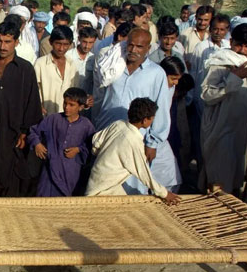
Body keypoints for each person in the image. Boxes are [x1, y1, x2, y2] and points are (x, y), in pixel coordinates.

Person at [94, 28, 180, 194]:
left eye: (139, 47)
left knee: (132, 184)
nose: (133, 50)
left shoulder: (156, 74)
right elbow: (101, 99)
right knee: (104, 182)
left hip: (136, 138)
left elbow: (161, 110)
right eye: (130, 45)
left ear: (148, 48)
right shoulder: (113, 66)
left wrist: (152, 143)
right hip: (109, 132)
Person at [0, 20, 43, 197]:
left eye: (7, 41)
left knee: (12, 172)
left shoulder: (25, 69)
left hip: (13, 133)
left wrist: (25, 132)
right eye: (0, 41)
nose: (3, 46)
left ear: (16, 42)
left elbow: (32, 103)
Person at [86, 97, 180, 205]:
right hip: (104, 188)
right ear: (145, 120)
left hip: (99, 179)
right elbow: (144, 174)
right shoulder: (133, 141)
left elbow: (96, 142)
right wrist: (165, 193)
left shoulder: (118, 124)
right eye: (152, 119)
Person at [200, 23, 247, 195]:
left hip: (243, 130)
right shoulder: (220, 62)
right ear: (231, 42)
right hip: (220, 130)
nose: (242, 50)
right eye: (239, 44)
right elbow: (207, 95)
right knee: (218, 182)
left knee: (239, 180)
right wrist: (234, 77)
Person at [28, 87, 95, 196]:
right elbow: (33, 131)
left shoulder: (86, 125)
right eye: (65, 103)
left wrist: (78, 149)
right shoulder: (54, 119)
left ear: (81, 107)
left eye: (71, 105)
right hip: (50, 172)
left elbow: (93, 146)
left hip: (70, 174)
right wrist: (37, 144)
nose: (66, 107)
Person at [34, 26, 80, 116]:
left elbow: (75, 92)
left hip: (66, 118)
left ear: (70, 44)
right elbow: (32, 90)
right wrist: (38, 106)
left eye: (65, 44)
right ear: (51, 42)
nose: (61, 48)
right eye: (58, 44)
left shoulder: (72, 65)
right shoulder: (40, 64)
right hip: (45, 117)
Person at [179, 5, 214, 72]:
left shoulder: (213, 35)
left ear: (211, 19)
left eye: (206, 20)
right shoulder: (186, 34)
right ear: (196, 18)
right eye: (200, 19)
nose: (202, 23)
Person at [66, 26, 97, 94]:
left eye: (90, 42)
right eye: (84, 42)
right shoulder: (68, 56)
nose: (87, 46)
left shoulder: (93, 58)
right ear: (79, 39)